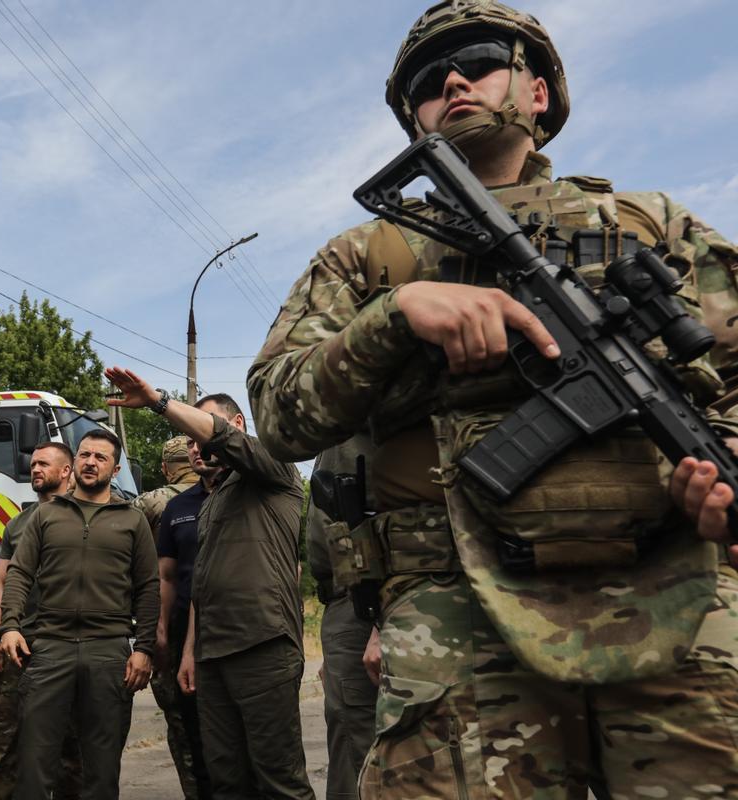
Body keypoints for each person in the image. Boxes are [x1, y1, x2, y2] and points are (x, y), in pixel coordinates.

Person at [246, 1, 738, 795]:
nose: (449, 80)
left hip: (677, 597)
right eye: (423, 81)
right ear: (414, 121)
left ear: (537, 93)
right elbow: (277, 415)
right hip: (453, 613)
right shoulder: (369, 256)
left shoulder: (653, 227)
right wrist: (396, 318)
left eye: (476, 59)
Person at [104, 368, 314, 800]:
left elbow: (225, 440)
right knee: (224, 781)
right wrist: (189, 653)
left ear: (235, 425)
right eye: (191, 441)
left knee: (279, 782)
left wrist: (161, 403)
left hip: (263, 646)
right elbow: (202, 582)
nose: (195, 445)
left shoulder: (274, 470)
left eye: (202, 433)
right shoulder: (209, 501)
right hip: (211, 656)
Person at [0, 429, 159, 800]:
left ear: (115, 468)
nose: (90, 462)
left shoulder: (132, 521)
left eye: (100, 457)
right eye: (85, 455)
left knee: (100, 770)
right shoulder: (45, 515)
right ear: (74, 464)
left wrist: (144, 648)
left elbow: (149, 587)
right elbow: (19, 574)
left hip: (108, 652)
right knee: (35, 765)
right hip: (49, 648)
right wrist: (9, 627)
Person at [0, 440, 82, 800]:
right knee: (8, 746)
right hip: (19, 648)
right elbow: (2, 584)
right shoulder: (18, 523)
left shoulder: (84, 516)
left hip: (68, 648)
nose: (35, 469)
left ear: (66, 471)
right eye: (33, 464)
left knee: (72, 753)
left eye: (44, 464)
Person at [133, 435, 206, 798]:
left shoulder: (152, 502)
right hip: (223, 623)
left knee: (182, 724)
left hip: (170, 624)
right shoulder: (222, 492)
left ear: (165, 468)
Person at [304, 444, 376, 800]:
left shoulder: (360, 418)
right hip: (346, 599)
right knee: (348, 732)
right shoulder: (334, 434)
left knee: (357, 741)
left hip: (368, 596)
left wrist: (379, 615)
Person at [155, 434, 223, 799]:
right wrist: (162, 632)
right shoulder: (177, 507)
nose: (200, 450)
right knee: (193, 733)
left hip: (239, 630)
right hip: (185, 632)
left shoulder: (250, 495)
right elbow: (166, 576)